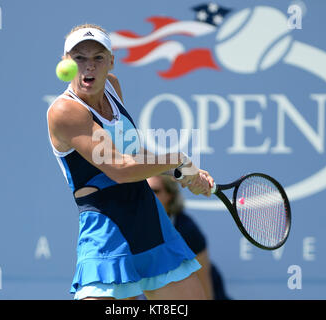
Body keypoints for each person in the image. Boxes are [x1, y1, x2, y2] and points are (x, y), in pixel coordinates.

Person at [47, 23, 214, 300]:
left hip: (147, 216)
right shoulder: (65, 111)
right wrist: (179, 160)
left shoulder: (112, 87)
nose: (89, 66)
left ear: (111, 61)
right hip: (105, 225)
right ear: (66, 63)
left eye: (98, 58)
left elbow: (132, 153)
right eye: (79, 58)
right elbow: (119, 169)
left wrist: (180, 172)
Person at [147, 175, 231, 300]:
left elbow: (204, 286)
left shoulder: (187, 229)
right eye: (145, 191)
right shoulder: (135, 228)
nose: (149, 196)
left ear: (170, 195)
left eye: (156, 191)